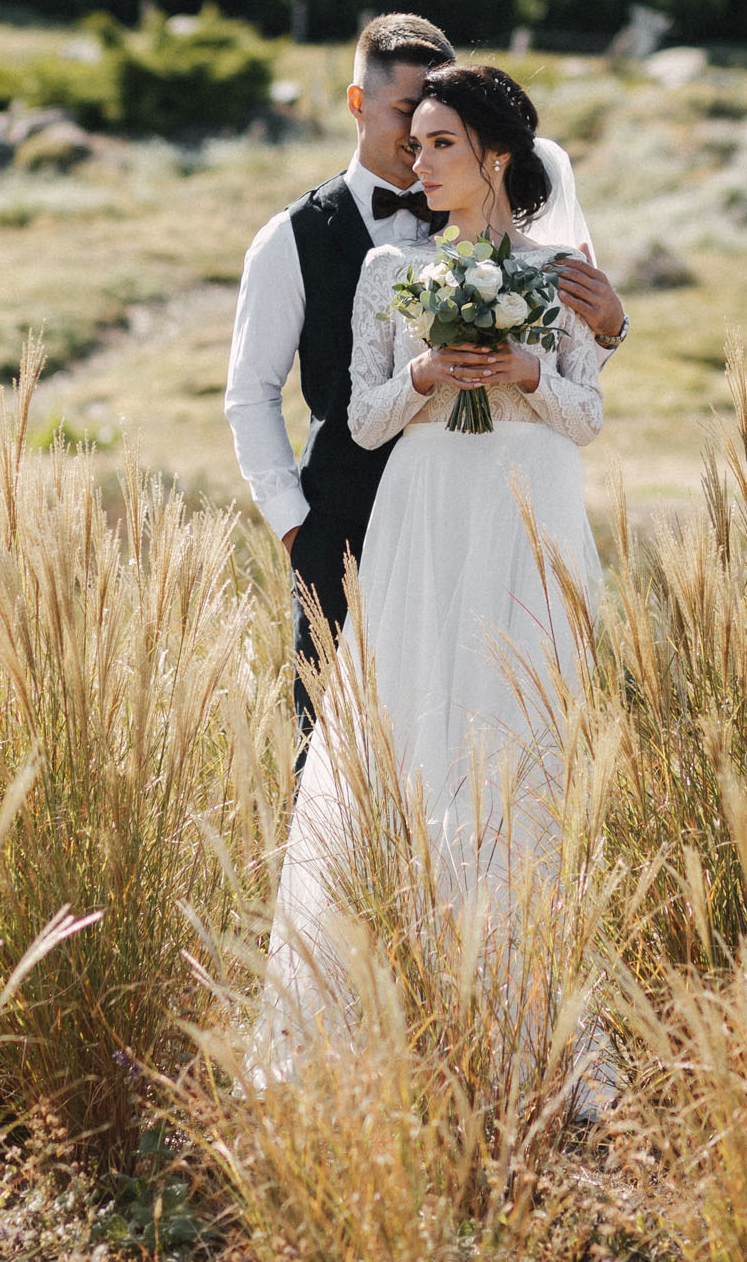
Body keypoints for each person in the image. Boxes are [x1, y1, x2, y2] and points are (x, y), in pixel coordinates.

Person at [254, 62, 608, 1068]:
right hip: (421, 507)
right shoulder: (387, 272)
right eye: (417, 144)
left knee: (511, 727)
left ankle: (517, 1015)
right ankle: (380, 1004)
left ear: (498, 153)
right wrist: (422, 373)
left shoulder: (563, 272)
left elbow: (587, 415)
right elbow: (360, 418)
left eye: (442, 143)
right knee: (408, 727)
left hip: (524, 507)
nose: (422, 159)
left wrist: (526, 370)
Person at [223, 15, 628, 751]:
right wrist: (294, 525)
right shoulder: (294, 237)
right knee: (343, 750)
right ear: (358, 103)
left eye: (439, 124)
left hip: (490, 520)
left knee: (497, 731)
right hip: (343, 527)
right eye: (408, 114)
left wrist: (609, 330)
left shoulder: (534, 248)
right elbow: (251, 392)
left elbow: (569, 379)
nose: (418, 146)